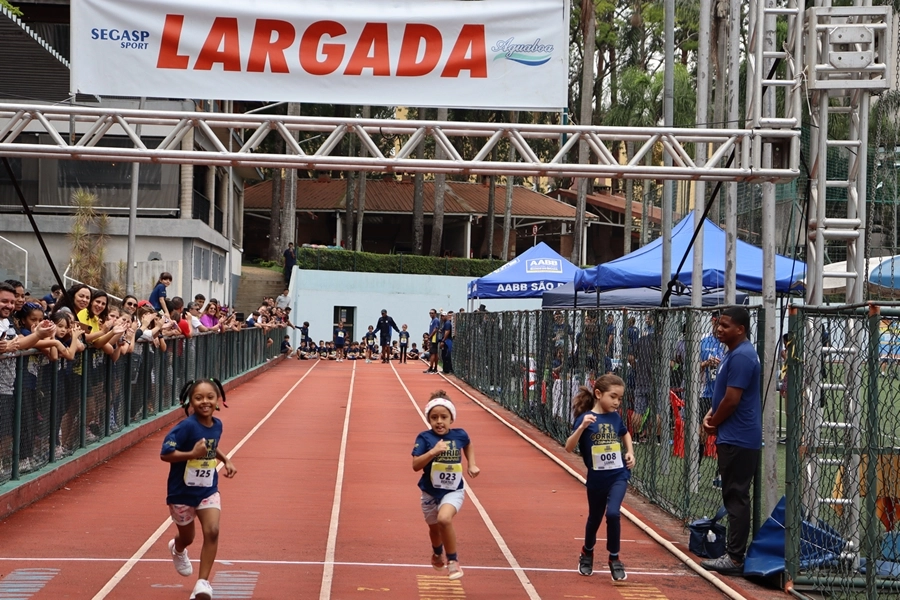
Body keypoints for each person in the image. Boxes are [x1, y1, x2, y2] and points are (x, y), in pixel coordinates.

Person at [161, 378, 236, 600]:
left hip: (207, 490)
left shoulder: (218, 425)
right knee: (188, 537)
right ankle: (178, 547)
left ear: (218, 400)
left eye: (210, 397)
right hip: (181, 493)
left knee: (212, 531)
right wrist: (191, 455)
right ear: (190, 402)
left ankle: (202, 584)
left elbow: (211, 445)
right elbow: (165, 454)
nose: (205, 402)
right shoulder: (185, 427)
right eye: (199, 398)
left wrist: (227, 459)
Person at [701, 307, 761, 575]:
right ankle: (733, 554)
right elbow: (724, 394)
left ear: (741, 329)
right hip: (732, 434)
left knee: (736, 496)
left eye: (725, 325)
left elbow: (733, 399)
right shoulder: (732, 353)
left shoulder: (743, 356)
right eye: (718, 325)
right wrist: (710, 414)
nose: (719, 329)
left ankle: (735, 558)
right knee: (731, 493)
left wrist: (713, 423)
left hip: (739, 437)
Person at [565, 374, 634, 581]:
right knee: (594, 518)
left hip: (618, 475)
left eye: (620, 399)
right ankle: (587, 551)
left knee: (613, 513)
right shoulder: (585, 419)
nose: (616, 402)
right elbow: (569, 447)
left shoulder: (615, 417)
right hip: (596, 479)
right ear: (598, 394)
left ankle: (614, 557)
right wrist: (582, 427)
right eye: (613, 397)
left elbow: (625, 433)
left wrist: (630, 452)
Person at [411, 391, 480, 580]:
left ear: (451, 418)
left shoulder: (460, 434)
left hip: (453, 490)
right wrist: (433, 452)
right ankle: (436, 553)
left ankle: (453, 561)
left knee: (444, 520)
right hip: (429, 491)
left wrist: (471, 464)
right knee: (434, 529)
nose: (439, 421)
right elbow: (416, 465)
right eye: (434, 418)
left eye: (444, 417)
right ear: (429, 420)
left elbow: (468, 444)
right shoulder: (424, 438)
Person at [425, 309, 441, 374]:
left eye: (432, 313)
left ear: (435, 313)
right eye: (430, 313)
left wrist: (430, 336)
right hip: (433, 338)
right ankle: (435, 368)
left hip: (434, 339)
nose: (431, 314)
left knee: (432, 353)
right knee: (435, 353)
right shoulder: (432, 320)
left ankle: (431, 367)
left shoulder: (436, 320)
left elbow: (435, 329)